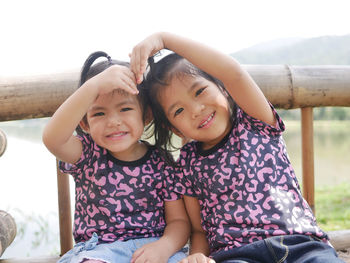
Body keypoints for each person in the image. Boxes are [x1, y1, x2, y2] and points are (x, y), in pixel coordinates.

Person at [130, 32, 344, 263]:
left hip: (301, 245)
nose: (196, 109)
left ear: (224, 88)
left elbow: (234, 73)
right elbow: (200, 230)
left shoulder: (255, 123)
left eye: (200, 91)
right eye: (178, 111)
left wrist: (165, 40)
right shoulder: (188, 162)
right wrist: (197, 257)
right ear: (175, 129)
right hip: (236, 255)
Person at [42, 51, 190, 263]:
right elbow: (52, 138)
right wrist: (94, 86)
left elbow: (178, 221)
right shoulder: (87, 154)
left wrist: (163, 247)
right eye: (99, 113)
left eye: (125, 108)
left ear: (146, 115)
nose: (113, 122)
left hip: (153, 248)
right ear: (85, 123)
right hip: (99, 251)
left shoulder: (162, 161)